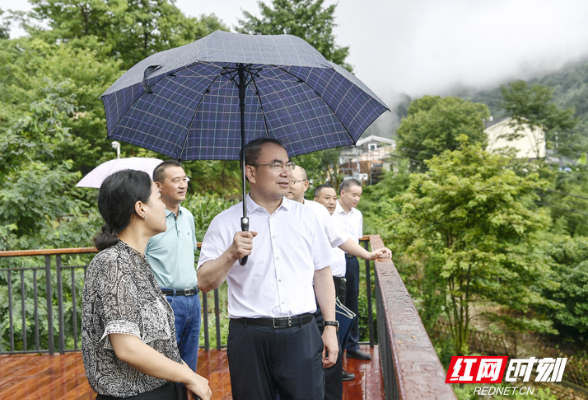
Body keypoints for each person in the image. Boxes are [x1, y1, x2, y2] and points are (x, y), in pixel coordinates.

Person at [197, 138, 338, 400]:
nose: (287, 173)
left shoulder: (308, 217)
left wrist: (329, 326)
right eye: (276, 165)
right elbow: (204, 282)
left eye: (288, 164)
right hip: (249, 337)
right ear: (250, 172)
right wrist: (231, 254)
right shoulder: (226, 222)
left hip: (302, 332)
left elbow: (322, 272)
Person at [82, 169, 211, 400]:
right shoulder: (114, 263)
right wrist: (189, 377)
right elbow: (128, 348)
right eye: (159, 198)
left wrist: (186, 376)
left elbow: (159, 344)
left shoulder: (137, 261)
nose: (164, 205)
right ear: (141, 208)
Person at [287, 170, 391, 394]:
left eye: (292, 180)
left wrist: (368, 254)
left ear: (305, 185)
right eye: (283, 178)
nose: (286, 183)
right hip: (292, 297)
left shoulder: (315, 211)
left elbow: (339, 238)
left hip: (320, 287)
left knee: (329, 344)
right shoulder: (272, 212)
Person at [145, 160, 201, 372]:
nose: (182, 184)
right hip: (163, 300)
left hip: (192, 300)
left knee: (189, 367)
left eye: (184, 179)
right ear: (158, 185)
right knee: (163, 367)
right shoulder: (149, 219)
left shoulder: (188, 217)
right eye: (175, 180)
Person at [333, 179, 371, 361]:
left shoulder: (358, 215)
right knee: (337, 304)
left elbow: (355, 240)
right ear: (343, 193)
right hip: (334, 262)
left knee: (352, 302)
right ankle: (337, 348)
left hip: (352, 260)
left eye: (359, 195)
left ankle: (353, 345)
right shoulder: (331, 214)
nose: (357, 199)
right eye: (354, 194)